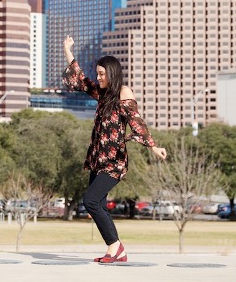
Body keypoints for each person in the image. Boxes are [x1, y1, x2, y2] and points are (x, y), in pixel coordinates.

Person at [62, 35, 167, 264]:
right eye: (98, 74)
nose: (98, 78)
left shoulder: (123, 93)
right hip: (98, 159)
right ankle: (114, 250)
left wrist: (153, 146)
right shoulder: (102, 93)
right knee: (96, 204)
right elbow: (80, 80)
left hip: (114, 161)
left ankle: (116, 247)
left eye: (102, 74)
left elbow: (137, 122)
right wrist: (68, 50)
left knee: (90, 201)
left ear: (112, 73)